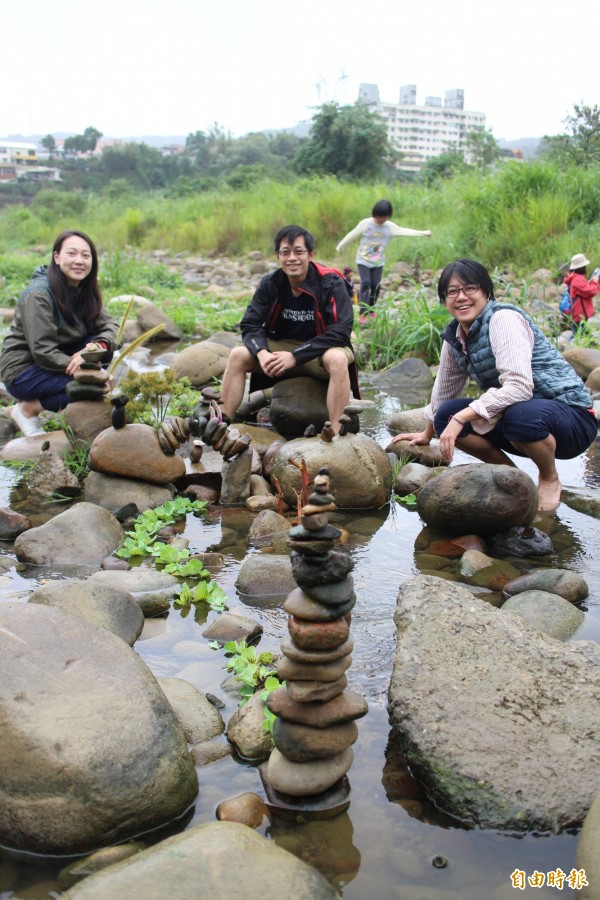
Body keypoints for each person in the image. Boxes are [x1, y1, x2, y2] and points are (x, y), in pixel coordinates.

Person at [392, 259, 598, 512]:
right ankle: (514, 479)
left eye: (470, 289)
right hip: (524, 418)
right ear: (444, 300)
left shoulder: (503, 319)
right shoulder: (454, 338)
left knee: (517, 414)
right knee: (446, 416)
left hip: (572, 419)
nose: (461, 297)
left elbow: (519, 387)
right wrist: (427, 433)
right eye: (452, 292)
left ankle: (549, 477)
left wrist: (463, 418)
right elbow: (444, 393)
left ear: (486, 292)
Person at [219, 224, 358, 433]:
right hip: (281, 349)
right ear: (278, 256)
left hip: (321, 350)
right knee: (238, 354)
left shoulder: (331, 282)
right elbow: (250, 323)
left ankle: (337, 434)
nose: (292, 258)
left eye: (298, 251)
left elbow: (340, 331)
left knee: (338, 359)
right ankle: (220, 424)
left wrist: (296, 355)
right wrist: (262, 352)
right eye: (285, 252)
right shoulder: (271, 283)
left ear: (310, 254)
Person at [0, 230, 118, 436]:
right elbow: (43, 351)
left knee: (101, 350)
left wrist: (98, 347)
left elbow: (110, 326)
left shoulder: (85, 289)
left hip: (57, 361)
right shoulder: (39, 294)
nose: (79, 261)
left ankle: (40, 403)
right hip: (23, 370)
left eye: (85, 255)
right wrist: (89, 371)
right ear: (57, 257)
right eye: (71, 254)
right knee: (95, 387)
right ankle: (28, 409)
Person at [335, 199, 432, 321]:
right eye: (379, 217)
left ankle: (371, 309)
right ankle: (363, 313)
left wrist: (423, 233)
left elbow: (405, 231)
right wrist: (340, 246)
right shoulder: (366, 224)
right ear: (374, 214)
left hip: (378, 262)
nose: (381, 220)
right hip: (363, 260)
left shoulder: (390, 227)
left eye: (384, 217)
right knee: (366, 283)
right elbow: (352, 234)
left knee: (376, 286)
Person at [563, 252, 599, 332]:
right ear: (581, 267)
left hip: (578, 313)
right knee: (579, 334)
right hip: (581, 314)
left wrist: (590, 282)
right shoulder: (578, 279)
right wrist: (595, 281)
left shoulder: (574, 277)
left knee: (579, 333)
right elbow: (590, 291)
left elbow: (583, 289)